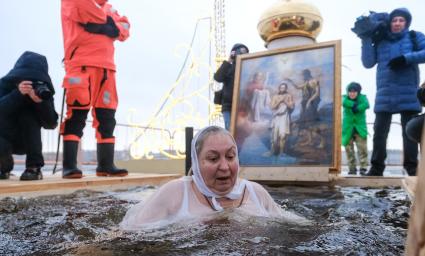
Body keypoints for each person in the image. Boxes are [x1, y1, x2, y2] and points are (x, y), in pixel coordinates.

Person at [120, 126, 302, 230]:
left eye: (230, 157)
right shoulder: (175, 194)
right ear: (197, 162)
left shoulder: (256, 193)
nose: (224, 166)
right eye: (213, 158)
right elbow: (128, 237)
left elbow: (295, 226)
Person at [60, 0, 130, 178]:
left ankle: (106, 165)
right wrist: (111, 25)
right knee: (76, 115)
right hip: (81, 66)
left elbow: (125, 27)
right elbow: (91, 13)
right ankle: (69, 166)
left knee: (107, 118)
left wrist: (108, 25)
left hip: (107, 69)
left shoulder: (108, 7)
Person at [360, 8, 425, 176]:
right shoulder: (381, 41)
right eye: (394, 20)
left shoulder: (414, 37)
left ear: (406, 23)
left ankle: (412, 168)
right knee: (379, 132)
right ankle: (376, 167)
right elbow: (367, 63)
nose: (397, 23)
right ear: (390, 23)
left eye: (401, 20)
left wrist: (406, 58)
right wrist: (366, 38)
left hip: (408, 91)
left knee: (409, 132)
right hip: (385, 93)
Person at [0, 51, 58, 180]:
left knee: (28, 116)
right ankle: (3, 167)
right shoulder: (4, 85)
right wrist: (17, 94)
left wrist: (41, 103)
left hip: (29, 141)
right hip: (4, 139)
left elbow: (52, 124)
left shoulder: (43, 90)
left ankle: (34, 168)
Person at [214, 44, 249, 130]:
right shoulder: (228, 67)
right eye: (242, 51)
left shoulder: (247, 68)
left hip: (242, 105)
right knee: (230, 129)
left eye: (246, 52)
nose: (244, 54)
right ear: (234, 53)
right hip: (228, 105)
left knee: (242, 130)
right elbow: (218, 77)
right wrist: (228, 61)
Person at [342, 82, 370, 175]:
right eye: (350, 91)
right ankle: (352, 168)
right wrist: (353, 104)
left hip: (360, 128)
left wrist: (357, 108)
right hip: (348, 129)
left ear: (358, 92)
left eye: (354, 91)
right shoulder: (344, 98)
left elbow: (366, 104)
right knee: (349, 150)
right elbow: (343, 101)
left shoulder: (363, 98)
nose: (352, 93)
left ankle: (363, 168)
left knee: (362, 149)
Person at [269, 82, 295, 156]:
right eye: (281, 87)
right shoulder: (275, 96)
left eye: (284, 88)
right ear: (279, 88)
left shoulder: (289, 96)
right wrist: (279, 101)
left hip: (284, 118)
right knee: (274, 136)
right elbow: (272, 107)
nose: (282, 89)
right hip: (276, 117)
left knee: (283, 136)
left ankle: (281, 152)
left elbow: (292, 107)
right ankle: (272, 151)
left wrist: (285, 101)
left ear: (286, 88)